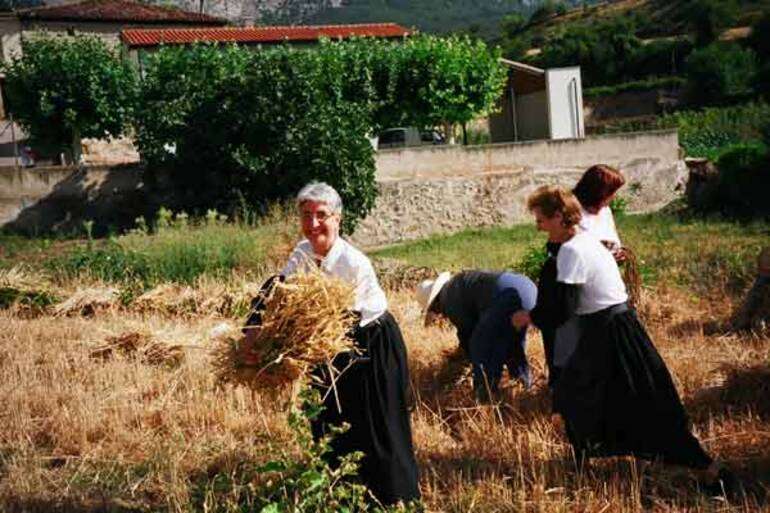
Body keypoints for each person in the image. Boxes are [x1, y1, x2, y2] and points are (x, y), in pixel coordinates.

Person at [512, 186, 729, 487]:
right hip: (617, 327)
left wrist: (528, 317)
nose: (538, 226)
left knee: (637, 405)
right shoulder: (583, 238)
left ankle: (709, 469)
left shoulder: (573, 251)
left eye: (541, 220)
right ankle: (582, 461)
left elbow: (563, 310)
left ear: (559, 216)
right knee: (591, 398)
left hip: (609, 333)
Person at [242, 182, 420, 505]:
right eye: (306, 215)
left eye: (321, 215)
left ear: (338, 219)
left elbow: (335, 323)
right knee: (328, 423)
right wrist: (253, 332)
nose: (312, 224)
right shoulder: (303, 253)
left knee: (379, 430)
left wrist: (283, 351)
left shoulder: (353, 263)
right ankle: (343, 498)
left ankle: (397, 503)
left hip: (371, 345)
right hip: (328, 347)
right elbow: (276, 290)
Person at [415, 270, 537, 400]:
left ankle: (484, 401)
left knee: (481, 346)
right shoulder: (458, 284)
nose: (439, 314)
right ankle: (523, 389)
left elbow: (469, 334)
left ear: (435, 303)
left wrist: (462, 359)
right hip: (527, 289)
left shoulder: (448, 299)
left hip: (506, 296)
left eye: (435, 310)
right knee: (513, 342)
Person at [573, 164, 625, 260]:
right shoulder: (572, 212)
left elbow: (613, 240)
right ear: (599, 191)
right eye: (612, 192)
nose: (614, 196)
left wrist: (618, 253)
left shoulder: (605, 211)